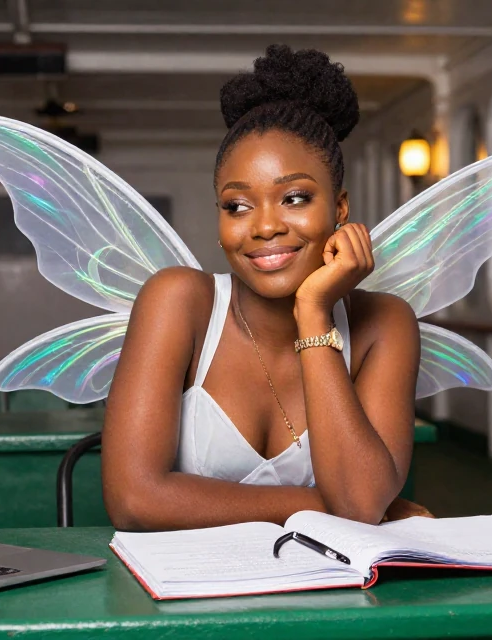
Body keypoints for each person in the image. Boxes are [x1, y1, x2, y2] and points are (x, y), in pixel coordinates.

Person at [101, 45, 430, 532]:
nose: (264, 226)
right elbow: (134, 500)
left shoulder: (386, 323)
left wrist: (313, 310)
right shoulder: (178, 301)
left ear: (339, 209)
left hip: (327, 578)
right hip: (186, 579)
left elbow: (360, 501)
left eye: (294, 198)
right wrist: (327, 504)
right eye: (237, 206)